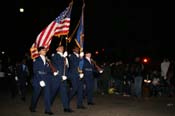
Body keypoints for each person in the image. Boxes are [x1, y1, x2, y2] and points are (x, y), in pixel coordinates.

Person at [29, 46, 53, 115]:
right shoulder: (36, 59)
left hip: (46, 79)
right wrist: (40, 80)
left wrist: (53, 73)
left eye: (45, 50)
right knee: (36, 94)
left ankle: (47, 110)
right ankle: (32, 107)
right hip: (38, 79)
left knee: (47, 94)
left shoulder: (47, 59)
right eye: (43, 50)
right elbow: (35, 70)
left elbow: (48, 70)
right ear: (39, 52)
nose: (45, 51)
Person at [50, 44, 73, 112]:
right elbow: (57, 63)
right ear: (57, 49)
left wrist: (66, 76)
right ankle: (48, 104)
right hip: (57, 78)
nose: (62, 48)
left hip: (63, 78)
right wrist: (63, 57)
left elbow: (67, 67)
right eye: (60, 47)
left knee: (64, 94)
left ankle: (66, 108)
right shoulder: (55, 55)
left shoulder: (65, 57)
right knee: (53, 93)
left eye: (63, 47)